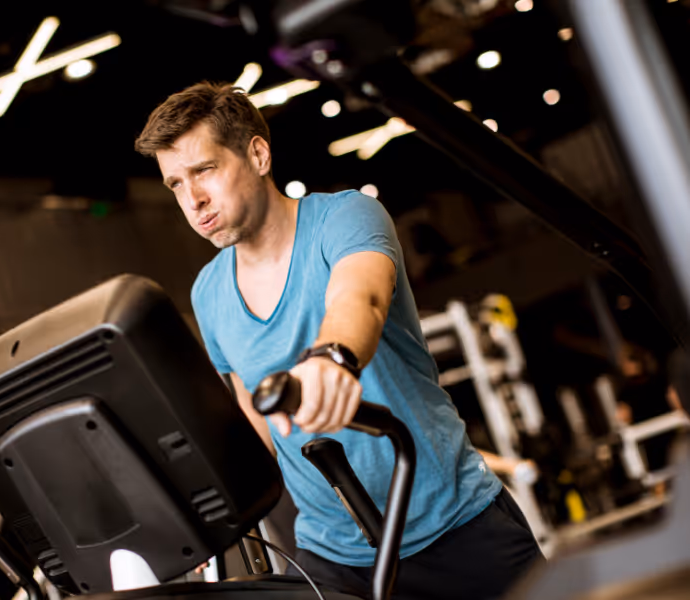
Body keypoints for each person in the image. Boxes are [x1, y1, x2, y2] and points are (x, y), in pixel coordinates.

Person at [135, 82, 543, 599]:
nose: (192, 200)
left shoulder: (344, 217)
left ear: (257, 154)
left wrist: (331, 359)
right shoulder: (209, 293)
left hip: (457, 528)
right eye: (175, 184)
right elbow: (254, 422)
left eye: (204, 171)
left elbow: (360, 300)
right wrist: (208, 518)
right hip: (336, 557)